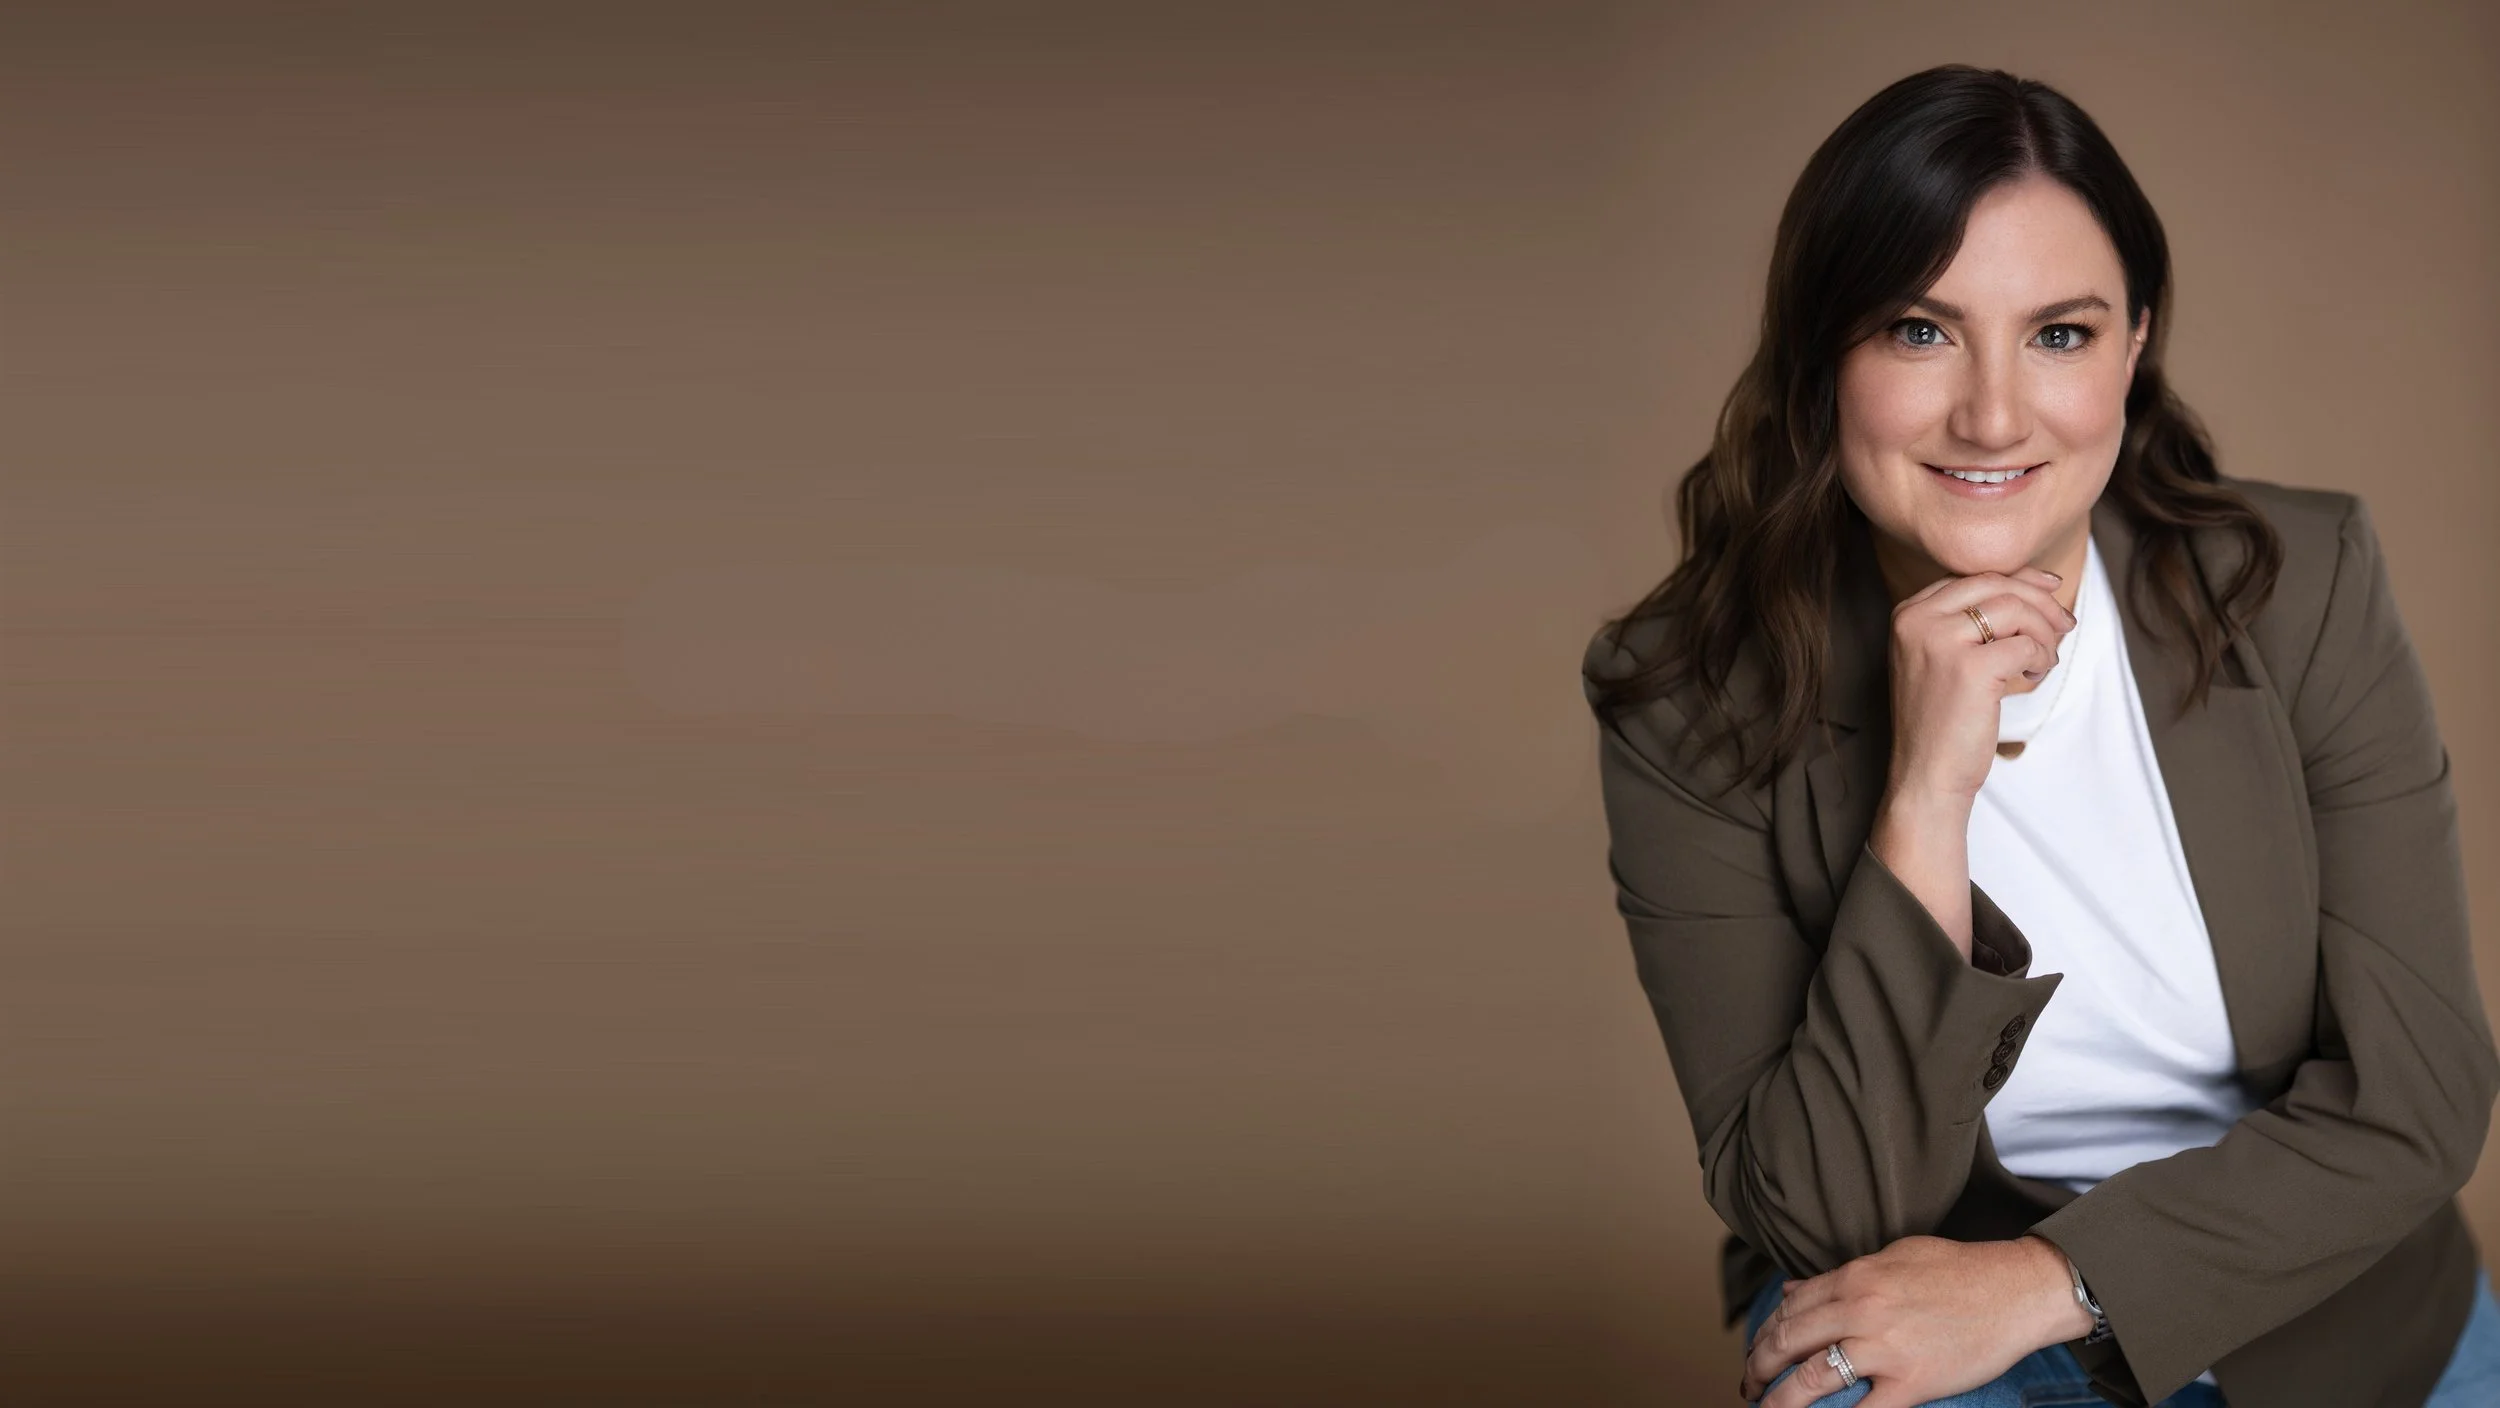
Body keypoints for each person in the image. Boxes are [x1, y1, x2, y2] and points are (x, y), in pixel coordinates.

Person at [1578, 64, 2500, 1407]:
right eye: (1918, 330)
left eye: (2059, 334)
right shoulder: (1686, 694)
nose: (1995, 416)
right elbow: (1822, 1204)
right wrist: (1925, 791)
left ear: (2136, 342)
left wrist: (2052, 1282)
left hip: (2318, 1297)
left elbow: (2420, 1099)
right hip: (1913, 1302)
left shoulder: (2300, 581)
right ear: (1818, 354)